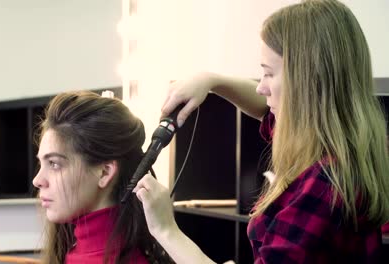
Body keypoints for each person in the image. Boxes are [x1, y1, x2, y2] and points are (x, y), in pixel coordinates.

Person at [133, 0, 389, 263]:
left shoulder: (324, 183)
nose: (260, 88)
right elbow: (263, 109)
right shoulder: (345, 146)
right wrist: (211, 81)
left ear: (306, 81)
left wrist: (166, 230)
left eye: (268, 74)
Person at [32, 91, 173, 263]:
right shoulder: (72, 253)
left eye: (54, 164)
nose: (37, 180)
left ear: (105, 172)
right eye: (42, 164)